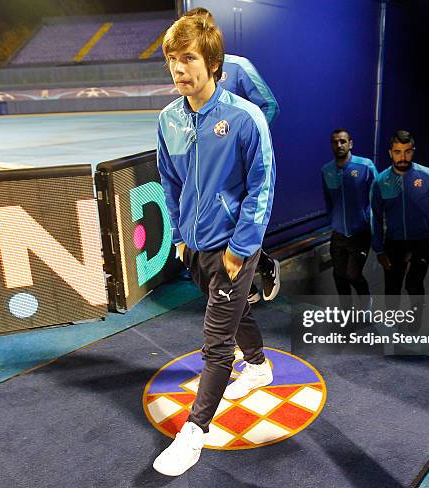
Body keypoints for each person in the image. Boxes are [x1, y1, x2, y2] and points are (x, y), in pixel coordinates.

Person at [154, 13, 275, 476]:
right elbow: (169, 182)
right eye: (172, 59)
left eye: (188, 58)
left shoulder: (246, 119)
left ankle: (195, 432)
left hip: (232, 247)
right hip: (196, 247)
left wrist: (241, 249)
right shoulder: (168, 120)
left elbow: (261, 189)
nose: (179, 69)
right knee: (237, 312)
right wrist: (181, 237)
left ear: (213, 63)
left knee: (216, 342)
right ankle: (260, 366)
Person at [184, 7, 280, 305]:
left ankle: (263, 265)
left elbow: (269, 105)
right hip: (206, 169)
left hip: (237, 167)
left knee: (240, 219)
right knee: (216, 226)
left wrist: (244, 146)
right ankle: (240, 290)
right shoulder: (188, 73)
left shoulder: (238, 67)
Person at [370, 130, 429, 306]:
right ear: (390, 153)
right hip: (394, 242)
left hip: (422, 241)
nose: (402, 156)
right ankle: (392, 329)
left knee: (414, 284)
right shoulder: (380, 181)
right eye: (397, 152)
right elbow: (376, 218)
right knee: (392, 289)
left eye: (407, 151)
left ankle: (414, 328)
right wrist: (379, 249)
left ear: (413, 151)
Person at [322, 129, 377, 307]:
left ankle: (365, 303)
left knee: (353, 274)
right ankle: (346, 310)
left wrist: (375, 224)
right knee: (339, 276)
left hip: (360, 233)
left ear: (350, 144)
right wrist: (333, 221)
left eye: (343, 141)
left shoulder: (365, 166)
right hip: (338, 234)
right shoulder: (327, 170)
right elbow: (328, 200)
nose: (339, 145)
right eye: (335, 141)